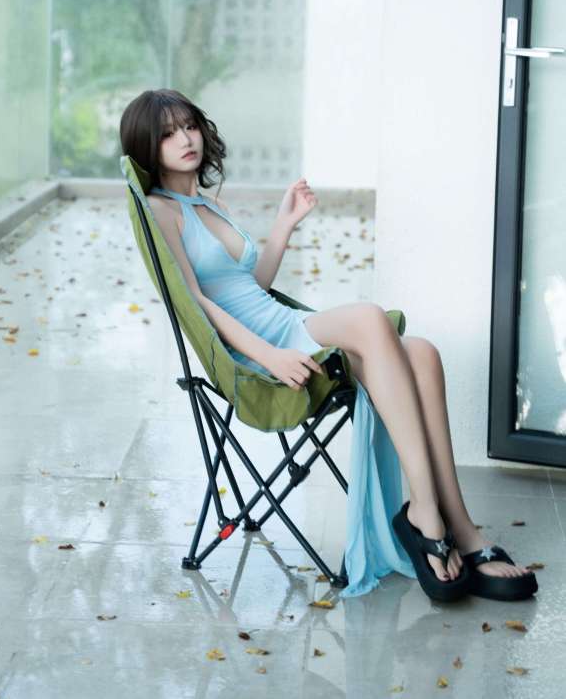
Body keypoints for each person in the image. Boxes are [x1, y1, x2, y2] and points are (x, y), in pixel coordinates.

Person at [119, 88, 537, 602]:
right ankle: (425, 515)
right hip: (259, 354)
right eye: (167, 133)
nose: (185, 139)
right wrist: (269, 356)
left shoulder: (209, 203)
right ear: (147, 146)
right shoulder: (161, 211)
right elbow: (200, 305)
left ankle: (462, 529)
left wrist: (284, 224)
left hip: (282, 325)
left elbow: (252, 286)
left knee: (423, 353)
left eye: (189, 125)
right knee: (368, 318)